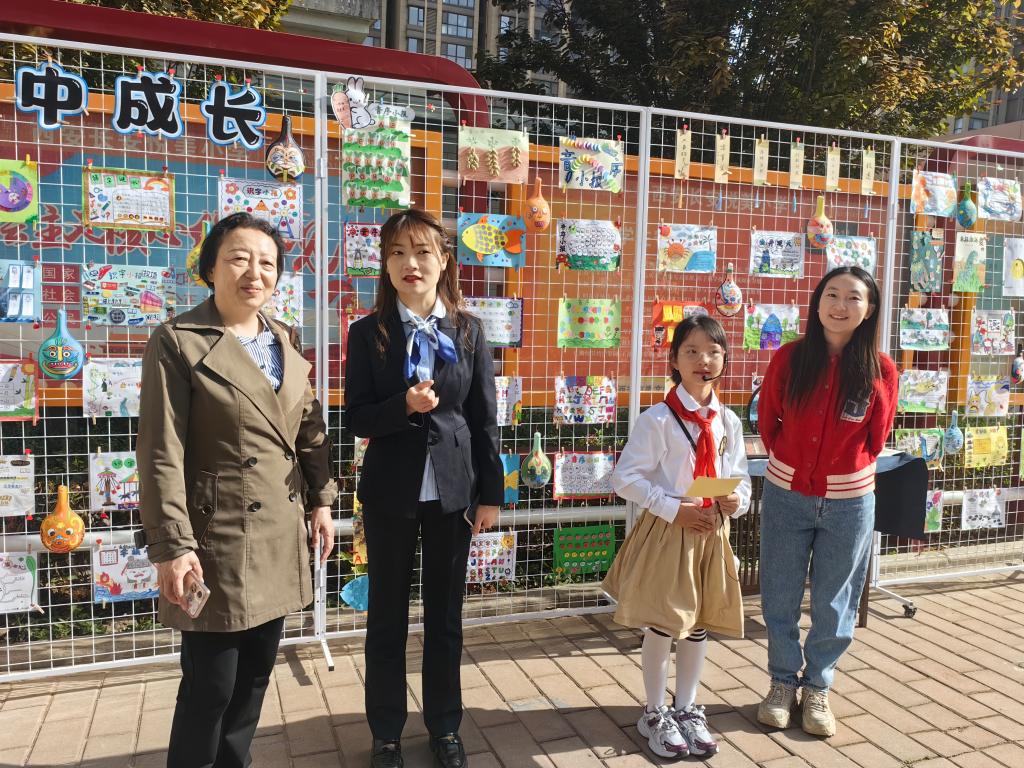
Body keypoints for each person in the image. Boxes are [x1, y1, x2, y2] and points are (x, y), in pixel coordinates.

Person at [138, 212, 338, 768]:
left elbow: (308, 428)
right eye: (239, 259)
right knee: (211, 687)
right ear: (210, 268)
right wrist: (172, 546)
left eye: (268, 263)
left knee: (253, 680)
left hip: (279, 532)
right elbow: (161, 452)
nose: (255, 273)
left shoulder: (284, 339)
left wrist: (322, 501)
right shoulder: (179, 341)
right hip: (216, 538)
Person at [345, 208, 503, 768]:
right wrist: (403, 406)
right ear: (385, 266)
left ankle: (445, 726)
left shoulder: (469, 330)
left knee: (445, 618)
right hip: (390, 494)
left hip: (454, 495)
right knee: (386, 617)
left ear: (444, 261)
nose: (410, 263)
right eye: (397, 253)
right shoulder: (367, 333)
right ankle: (386, 733)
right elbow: (356, 416)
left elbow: (484, 418)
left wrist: (491, 495)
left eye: (421, 251)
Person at [756, 265, 898, 737]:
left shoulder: (881, 370)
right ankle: (781, 683)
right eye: (831, 294)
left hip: (850, 502)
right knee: (779, 594)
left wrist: (842, 473)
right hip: (786, 493)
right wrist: (793, 465)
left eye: (853, 297)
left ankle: (817, 687)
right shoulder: (790, 358)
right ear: (817, 303)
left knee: (836, 601)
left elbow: (877, 438)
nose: (840, 305)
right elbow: (769, 422)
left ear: (869, 309)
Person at [603, 315, 750, 759]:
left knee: (698, 622)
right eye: (692, 351)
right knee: (664, 622)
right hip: (670, 533)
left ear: (724, 359)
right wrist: (672, 508)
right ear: (674, 360)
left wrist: (736, 500)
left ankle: (686, 707)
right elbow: (624, 479)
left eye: (714, 352)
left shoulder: (727, 420)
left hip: (711, 533)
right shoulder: (658, 419)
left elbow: (739, 476)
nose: (704, 360)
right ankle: (653, 712)